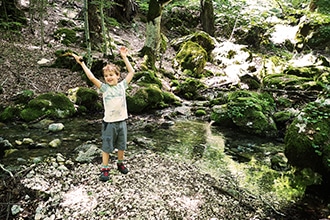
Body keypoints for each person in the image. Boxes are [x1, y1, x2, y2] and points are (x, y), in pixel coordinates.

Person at [72, 47, 135, 181]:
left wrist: (124, 57)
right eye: (106, 76)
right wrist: (82, 63)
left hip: (122, 121)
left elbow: (131, 71)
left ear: (118, 76)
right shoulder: (104, 88)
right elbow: (91, 77)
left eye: (111, 75)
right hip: (109, 123)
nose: (109, 78)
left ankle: (120, 163)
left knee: (121, 145)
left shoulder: (123, 86)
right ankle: (105, 168)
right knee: (106, 147)